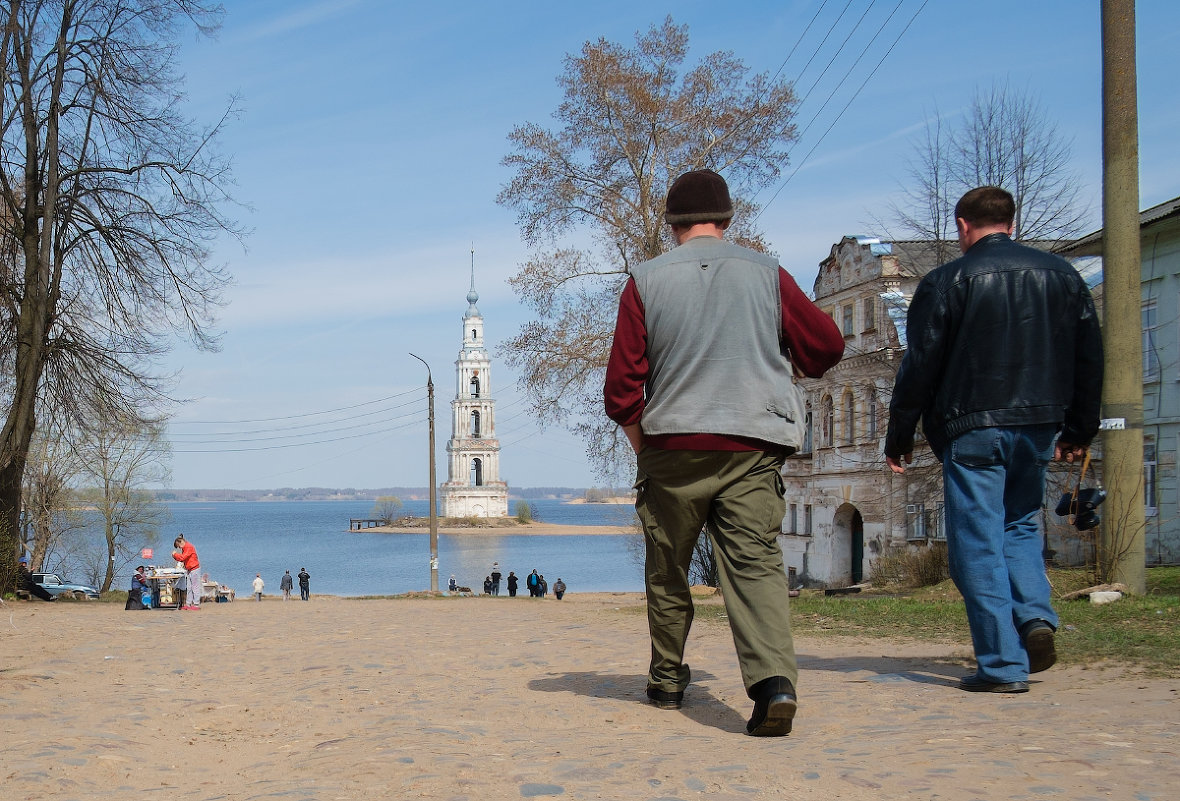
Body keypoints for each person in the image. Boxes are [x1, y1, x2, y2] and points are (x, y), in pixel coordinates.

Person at [605, 168, 844, 736]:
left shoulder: (645, 281)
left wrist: (645, 449)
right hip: (751, 445)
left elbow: (621, 390)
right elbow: (826, 347)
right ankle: (772, 686)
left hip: (673, 446)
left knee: (669, 567)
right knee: (755, 563)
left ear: (671, 225)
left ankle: (666, 679)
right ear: (728, 219)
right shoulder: (767, 274)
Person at [884, 186, 1104, 694]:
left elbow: (919, 367)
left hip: (973, 428)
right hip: (1041, 424)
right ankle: (1035, 619)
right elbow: (1089, 356)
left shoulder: (946, 282)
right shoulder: (1062, 276)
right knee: (1021, 524)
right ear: (1011, 220)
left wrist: (900, 435)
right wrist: (1078, 429)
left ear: (962, 225)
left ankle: (1003, 665)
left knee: (976, 544)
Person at [171, 535, 201, 610]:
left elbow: (182, 557)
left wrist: (175, 554)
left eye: (179, 546)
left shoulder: (188, 547)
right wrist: (176, 556)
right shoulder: (185, 548)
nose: (179, 548)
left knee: (195, 587)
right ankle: (188, 604)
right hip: (189, 569)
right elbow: (182, 559)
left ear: (181, 542)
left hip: (194, 568)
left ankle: (196, 604)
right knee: (189, 587)